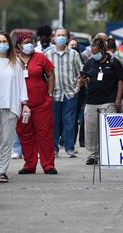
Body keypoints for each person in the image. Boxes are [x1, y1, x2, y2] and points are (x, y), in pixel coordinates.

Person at [0, 31, 29, 183]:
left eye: (4, 41)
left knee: (6, 140)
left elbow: (22, 85)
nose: (2, 44)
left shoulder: (15, 63)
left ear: (9, 43)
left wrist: (24, 103)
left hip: (10, 105)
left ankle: (3, 171)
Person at [15, 33, 58, 175]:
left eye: (31, 42)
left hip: (41, 104)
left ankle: (48, 165)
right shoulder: (14, 60)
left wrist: (50, 94)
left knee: (44, 135)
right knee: (25, 134)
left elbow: (51, 74)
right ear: (19, 45)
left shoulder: (40, 58)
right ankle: (29, 165)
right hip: (21, 105)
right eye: (26, 42)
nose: (29, 44)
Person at [79, 37, 123, 165]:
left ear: (103, 50)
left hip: (109, 100)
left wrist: (118, 99)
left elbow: (121, 80)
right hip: (92, 100)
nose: (94, 55)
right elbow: (84, 78)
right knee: (90, 130)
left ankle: (110, 153)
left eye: (96, 52)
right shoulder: (89, 63)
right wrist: (83, 81)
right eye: (92, 53)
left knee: (111, 129)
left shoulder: (113, 62)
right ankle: (92, 155)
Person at [45, 28, 82, 158]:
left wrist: (77, 87)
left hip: (70, 93)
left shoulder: (74, 54)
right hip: (54, 94)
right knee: (54, 122)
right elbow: (44, 75)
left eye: (63, 35)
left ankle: (70, 148)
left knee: (70, 122)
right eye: (58, 35)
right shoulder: (48, 55)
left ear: (67, 38)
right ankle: (54, 149)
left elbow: (80, 73)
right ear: (54, 38)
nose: (60, 37)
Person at [68, 38, 86, 148]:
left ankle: (77, 141)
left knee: (79, 116)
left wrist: (79, 85)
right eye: (71, 45)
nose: (74, 47)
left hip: (80, 90)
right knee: (71, 118)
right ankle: (68, 141)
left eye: (75, 45)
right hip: (68, 90)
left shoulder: (81, 58)